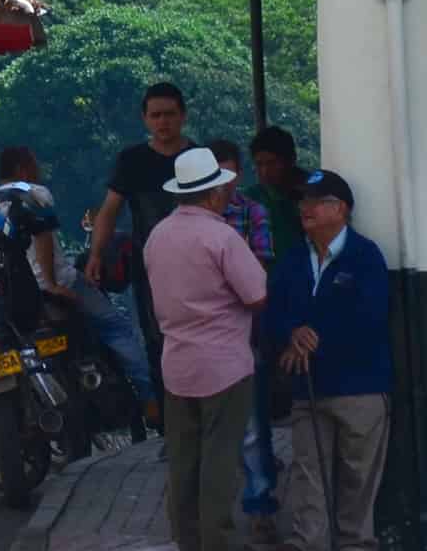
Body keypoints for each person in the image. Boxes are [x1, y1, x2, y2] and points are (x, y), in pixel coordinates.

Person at [0, 147, 155, 431]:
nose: (38, 169)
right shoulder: (34, 192)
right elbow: (43, 236)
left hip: (8, 293)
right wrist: (53, 284)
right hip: (52, 285)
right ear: (22, 169)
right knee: (116, 327)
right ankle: (150, 400)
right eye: (34, 163)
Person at [144, 146, 268, 551]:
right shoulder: (222, 236)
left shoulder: (157, 237)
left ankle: (187, 540)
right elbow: (256, 295)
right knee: (219, 461)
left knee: (183, 462)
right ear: (214, 194)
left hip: (177, 365)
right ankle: (217, 542)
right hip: (224, 367)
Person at [264, 170, 392, 551]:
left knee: (358, 481)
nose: (304, 208)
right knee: (308, 476)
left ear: (340, 209)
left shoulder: (364, 255)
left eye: (314, 201)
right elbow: (272, 310)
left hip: (361, 388)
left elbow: (369, 317)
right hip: (308, 388)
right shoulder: (292, 259)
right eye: (301, 200)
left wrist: (309, 342)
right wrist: (291, 332)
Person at [87, 80, 193, 405]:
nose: (163, 122)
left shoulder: (198, 158)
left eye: (170, 115)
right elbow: (109, 212)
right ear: (145, 119)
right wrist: (96, 255)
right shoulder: (131, 161)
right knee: (158, 342)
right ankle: (171, 425)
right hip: (152, 270)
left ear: (183, 116)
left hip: (197, 266)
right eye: (156, 115)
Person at [210, 139, 277, 542]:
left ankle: (260, 504)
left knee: (252, 425)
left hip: (243, 329)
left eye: (229, 173)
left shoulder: (252, 213)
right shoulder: (186, 219)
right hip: (204, 336)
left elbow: (262, 266)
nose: (224, 183)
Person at [243, 127, 306, 265]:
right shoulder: (250, 198)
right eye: (259, 164)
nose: (265, 171)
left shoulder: (310, 193)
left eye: (272, 163)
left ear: (291, 160)